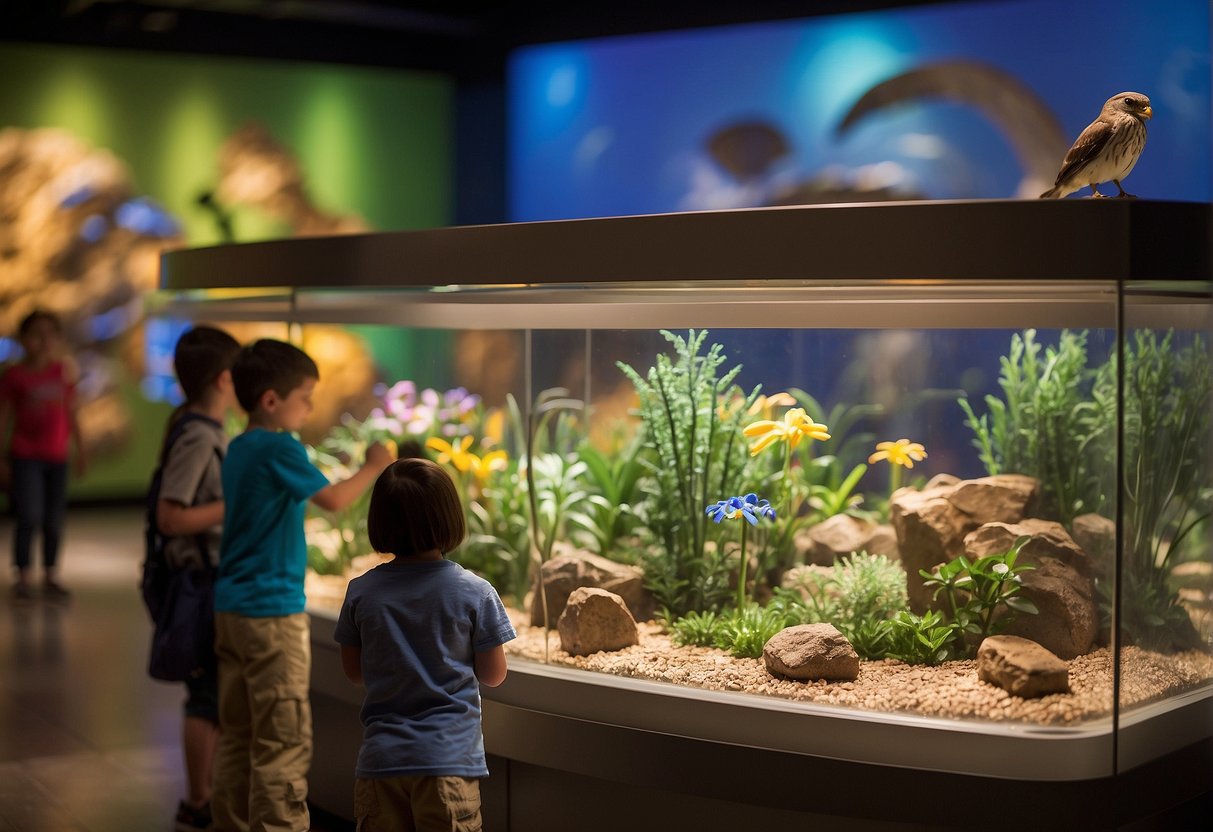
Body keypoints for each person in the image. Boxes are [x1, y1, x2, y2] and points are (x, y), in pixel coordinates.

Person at [211, 338, 392, 832]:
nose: (310, 406)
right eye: (305, 396)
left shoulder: (239, 447)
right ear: (272, 401)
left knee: (237, 734)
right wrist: (374, 466)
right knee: (282, 742)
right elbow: (332, 499)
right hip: (271, 615)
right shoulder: (277, 446)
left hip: (231, 610)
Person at [334, 457, 516, 832]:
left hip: (380, 763)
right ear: (450, 518)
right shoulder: (476, 593)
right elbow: (495, 675)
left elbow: (355, 673)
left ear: (379, 521)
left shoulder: (361, 592)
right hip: (447, 763)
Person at [152, 325, 242, 831]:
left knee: (211, 692)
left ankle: (205, 795)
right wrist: (234, 506)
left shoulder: (198, 429)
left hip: (212, 578)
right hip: (201, 582)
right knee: (205, 694)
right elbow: (170, 517)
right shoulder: (199, 437)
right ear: (226, 379)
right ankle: (198, 798)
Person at [0, 310, 86, 601]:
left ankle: (50, 573)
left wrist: (80, 448)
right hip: (25, 455)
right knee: (29, 515)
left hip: (57, 456)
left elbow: (72, 412)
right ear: (24, 339)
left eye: (50, 334)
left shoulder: (63, 371)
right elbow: (4, 416)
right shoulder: (14, 375)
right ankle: (22, 574)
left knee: (54, 518)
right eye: (37, 334)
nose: (44, 340)